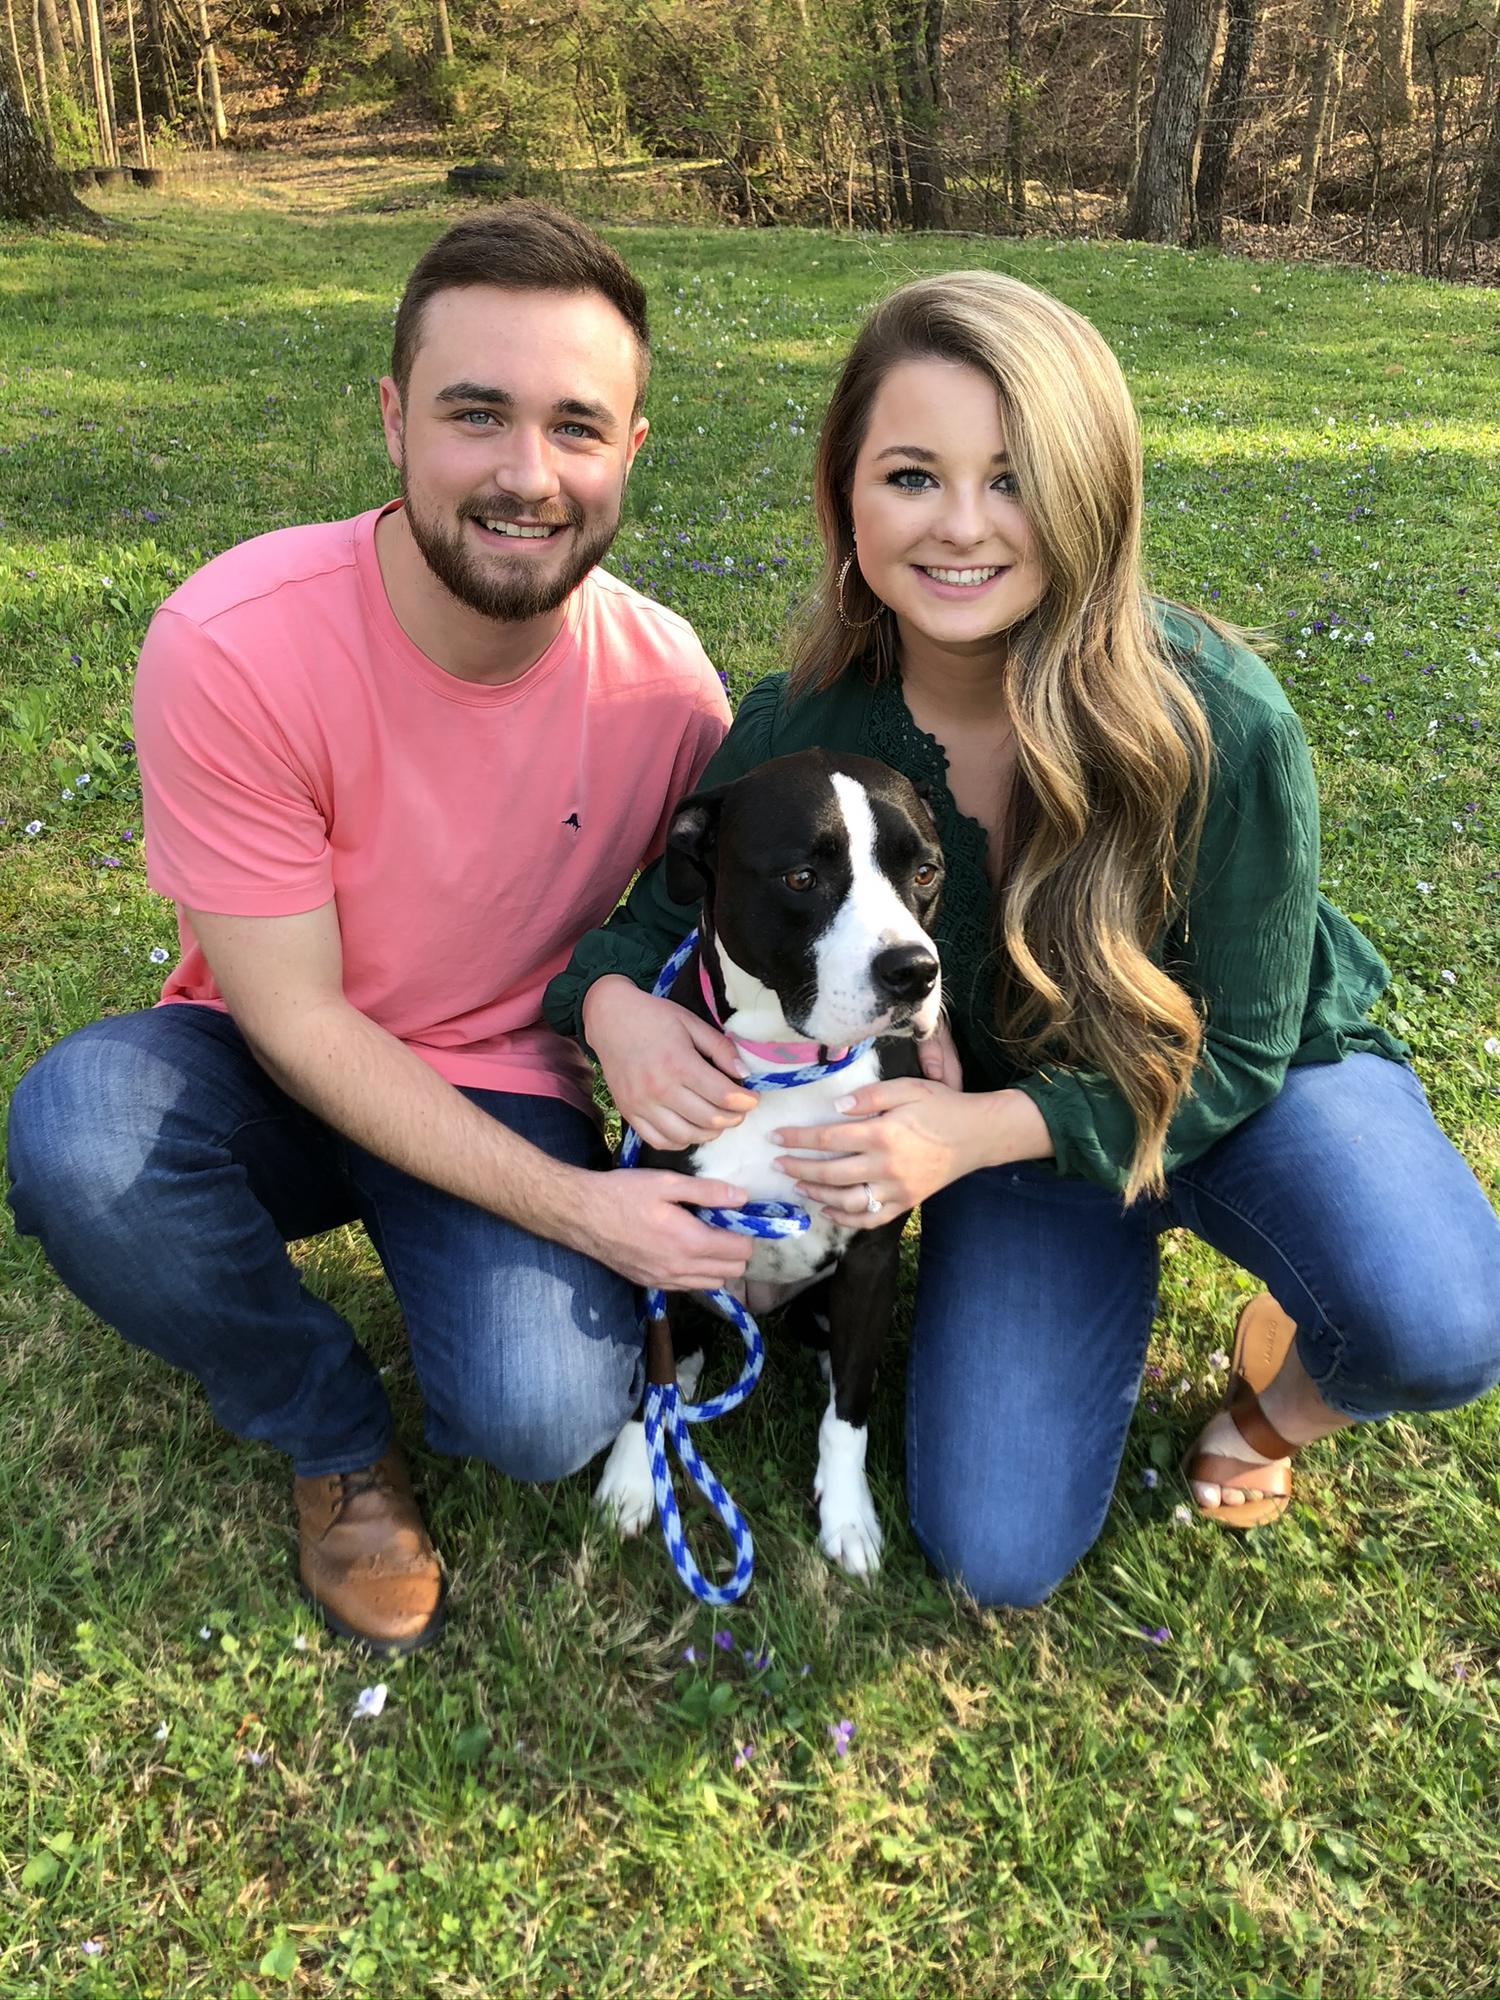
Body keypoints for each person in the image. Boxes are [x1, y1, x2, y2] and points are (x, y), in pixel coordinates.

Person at [544, 269, 1500, 1609]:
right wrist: (617, 1011)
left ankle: (1271, 1407)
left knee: (1438, 1316)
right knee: (996, 1550)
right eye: (913, 476)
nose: (962, 526)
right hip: (1010, 1142)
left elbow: (1240, 1047)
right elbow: (644, 931)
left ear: (1094, 494)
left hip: (1238, 1080)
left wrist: (973, 1132)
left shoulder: (1218, 716)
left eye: (1016, 479)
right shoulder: (804, 726)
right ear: (847, 493)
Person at [6, 202, 761, 1655]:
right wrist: (582, 1213)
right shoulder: (237, 642)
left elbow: (698, 942)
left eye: (575, 426)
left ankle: (459, 1272)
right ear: (393, 420)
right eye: (477, 413)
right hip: (266, 1056)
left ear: (630, 450)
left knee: (544, 1417)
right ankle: (331, 1431)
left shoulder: (671, 693)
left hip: (502, 1075)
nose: (526, 474)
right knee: (82, 1138)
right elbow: (294, 1017)